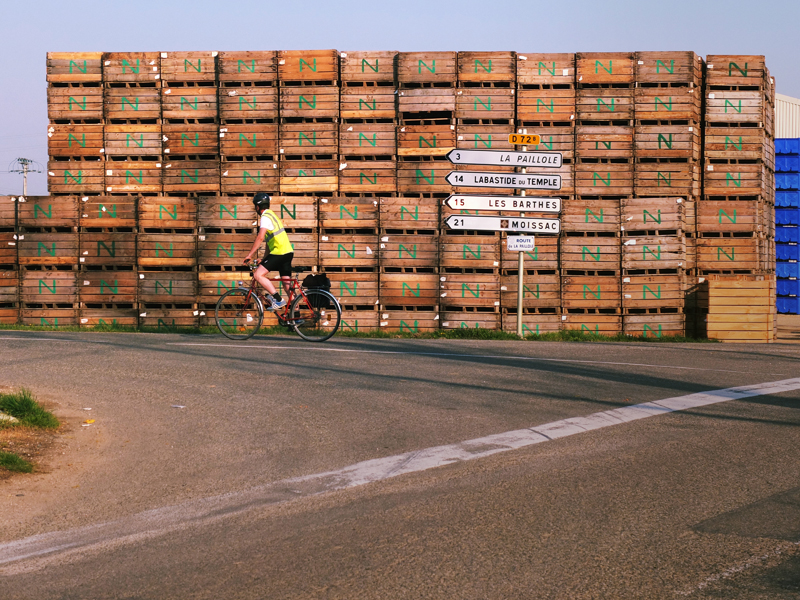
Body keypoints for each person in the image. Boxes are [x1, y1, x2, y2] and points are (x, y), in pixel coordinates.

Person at [243, 192, 293, 309]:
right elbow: (268, 242)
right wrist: (264, 259)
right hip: (287, 252)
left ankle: (278, 300)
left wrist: (250, 255)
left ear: (257, 207)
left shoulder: (265, 217)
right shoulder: (272, 215)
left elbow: (260, 237)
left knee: (258, 275)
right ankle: (297, 315)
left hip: (279, 252)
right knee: (287, 287)